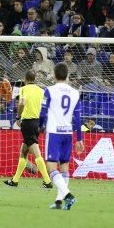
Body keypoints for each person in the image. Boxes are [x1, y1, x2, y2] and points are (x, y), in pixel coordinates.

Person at [40, 62, 84, 210]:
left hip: (54, 133)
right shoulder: (75, 92)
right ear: (67, 75)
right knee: (64, 166)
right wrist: (79, 139)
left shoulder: (49, 90)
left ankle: (68, 195)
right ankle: (59, 202)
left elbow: (43, 112)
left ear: (54, 74)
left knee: (51, 166)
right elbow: (77, 118)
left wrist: (40, 126)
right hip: (68, 133)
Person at [3, 69, 53, 189]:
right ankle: (15, 181)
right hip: (36, 123)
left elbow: (21, 103)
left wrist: (18, 117)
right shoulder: (41, 91)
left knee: (36, 153)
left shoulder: (24, 89)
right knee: (24, 152)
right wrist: (42, 124)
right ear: (35, 79)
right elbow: (45, 108)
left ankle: (47, 181)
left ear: (25, 80)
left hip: (27, 122)